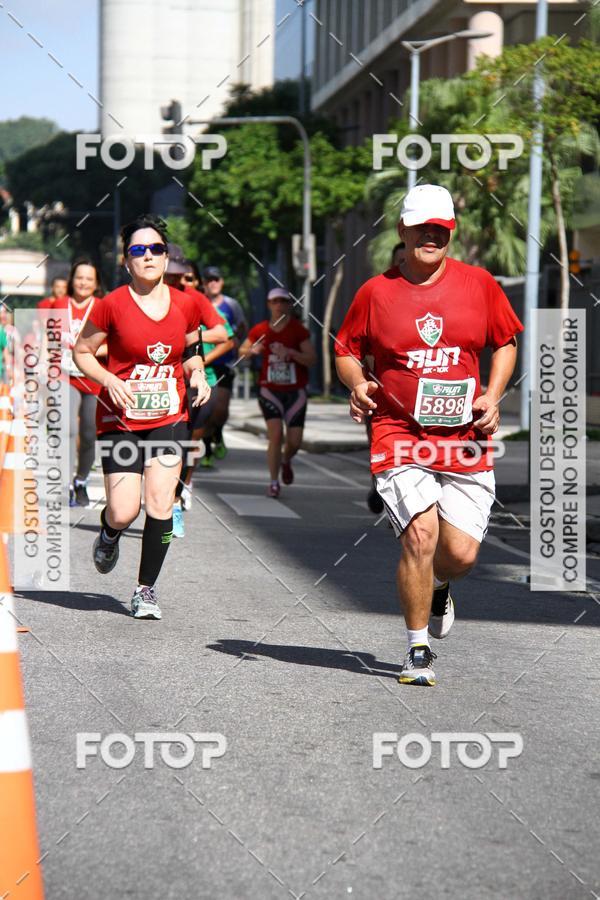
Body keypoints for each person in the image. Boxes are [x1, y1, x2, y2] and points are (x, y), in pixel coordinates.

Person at [335, 184, 523, 686]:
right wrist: (358, 384)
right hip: (399, 434)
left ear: (450, 234)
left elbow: (505, 343)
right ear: (403, 230)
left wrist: (493, 394)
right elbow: (346, 350)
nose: (431, 235)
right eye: (421, 227)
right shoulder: (375, 292)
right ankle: (417, 649)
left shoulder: (479, 285)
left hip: (464, 437)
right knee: (420, 534)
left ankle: (440, 585)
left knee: (460, 553)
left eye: (440, 228)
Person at [74, 214, 210, 620]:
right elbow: (81, 353)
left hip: (170, 415)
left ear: (166, 258)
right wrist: (107, 379)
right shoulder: (110, 305)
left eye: (156, 249)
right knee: (123, 508)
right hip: (121, 420)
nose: (148, 256)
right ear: (125, 260)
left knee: (159, 501)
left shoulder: (187, 305)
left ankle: (145, 589)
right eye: (138, 250)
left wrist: (199, 375)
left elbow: (191, 352)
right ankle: (109, 531)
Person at [162, 245, 228, 537]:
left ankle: (177, 496)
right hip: (158, 383)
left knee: (187, 445)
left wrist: (190, 338)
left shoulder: (194, 300)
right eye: (174, 275)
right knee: (163, 446)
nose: (180, 282)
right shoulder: (144, 296)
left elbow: (222, 335)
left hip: (195, 382)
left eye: (185, 277)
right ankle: (164, 497)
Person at [239, 287, 316, 497]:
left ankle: (286, 459)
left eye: (283, 301)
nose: (279, 305)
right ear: (269, 305)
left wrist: (291, 353)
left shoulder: (298, 330)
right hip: (269, 390)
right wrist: (251, 351)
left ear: (290, 305)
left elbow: (311, 359)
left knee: (295, 441)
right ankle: (274, 482)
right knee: (275, 435)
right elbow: (242, 351)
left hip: (295, 392)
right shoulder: (260, 329)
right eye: (275, 301)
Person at [54, 258, 104, 506]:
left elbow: (112, 344)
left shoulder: (102, 307)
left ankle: (81, 480)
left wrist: (85, 350)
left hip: (93, 379)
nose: (83, 282)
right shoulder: (60, 304)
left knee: (88, 434)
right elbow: (48, 338)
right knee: (67, 428)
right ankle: (64, 482)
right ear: (72, 280)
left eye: (89, 279)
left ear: (96, 284)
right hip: (65, 376)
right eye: (79, 277)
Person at [366, 241, 407, 516]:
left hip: (422, 397)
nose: (405, 266)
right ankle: (379, 484)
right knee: (379, 442)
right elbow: (358, 346)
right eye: (399, 261)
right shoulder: (378, 295)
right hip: (382, 393)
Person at [201, 265, 247, 463]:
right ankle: (208, 452)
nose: (213, 283)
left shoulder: (231, 304)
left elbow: (242, 327)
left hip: (224, 363)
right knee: (205, 410)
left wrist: (236, 343)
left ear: (222, 282)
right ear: (203, 283)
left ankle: (218, 434)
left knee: (220, 410)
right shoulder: (199, 302)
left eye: (216, 279)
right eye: (209, 279)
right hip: (202, 364)